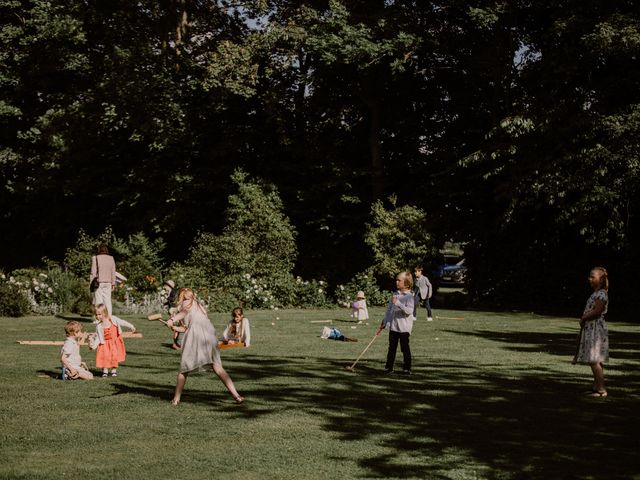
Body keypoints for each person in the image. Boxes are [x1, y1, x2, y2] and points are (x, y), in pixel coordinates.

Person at [167, 288, 244, 405]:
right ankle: (237, 396)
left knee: (184, 369)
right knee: (217, 366)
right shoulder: (199, 306)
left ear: (182, 296)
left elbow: (184, 313)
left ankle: (176, 400)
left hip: (196, 336)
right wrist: (174, 327)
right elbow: (186, 328)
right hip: (209, 336)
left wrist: (172, 319)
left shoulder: (186, 304)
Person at [574, 267, 610, 397]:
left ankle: (601, 389)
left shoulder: (601, 294)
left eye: (592, 277)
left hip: (595, 329)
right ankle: (597, 386)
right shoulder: (595, 294)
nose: (589, 279)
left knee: (594, 359)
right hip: (591, 328)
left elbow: (598, 311)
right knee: (595, 359)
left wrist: (584, 317)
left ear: (600, 280)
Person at [380, 272, 416, 375]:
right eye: (396, 280)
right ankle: (388, 367)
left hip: (404, 328)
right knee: (391, 348)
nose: (396, 282)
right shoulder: (395, 294)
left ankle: (407, 368)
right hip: (393, 327)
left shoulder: (409, 296)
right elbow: (389, 310)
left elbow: (409, 311)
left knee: (404, 348)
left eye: (399, 280)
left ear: (407, 282)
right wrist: (385, 321)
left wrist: (399, 303)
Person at [94, 303, 127, 377]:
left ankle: (113, 370)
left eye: (99, 314)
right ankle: (105, 371)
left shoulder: (113, 319)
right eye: (96, 315)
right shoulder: (99, 326)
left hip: (114, 342)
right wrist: (93, 345)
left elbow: (122, 322)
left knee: (114, 355)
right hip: (104, 343)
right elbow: (98, 337)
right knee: (105, 356)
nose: (97, 316)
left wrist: (131, 326)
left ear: (105, 313)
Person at [90, 244, 116, 316]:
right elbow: (113, 272)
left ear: (99, 250)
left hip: (98, 282)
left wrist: (91, 284)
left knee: (98, 301)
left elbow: (93, 272)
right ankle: (109, 317)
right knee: (107, 300)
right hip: (108, 282)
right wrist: (113, 284)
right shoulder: (111, 258)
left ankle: (98, 318)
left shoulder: (95, 258)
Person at [163, 280, 181, 349]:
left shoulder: (174, 292)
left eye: (166, 286)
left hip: (175, 311)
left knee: (176, 327)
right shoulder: (169, 292)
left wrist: (165, 297)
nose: (164, 287)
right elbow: (170, 301)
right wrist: (166, 303)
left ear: (169, 286)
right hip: (172, 311)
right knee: (174, 327)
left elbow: (174, 300)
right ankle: (176, 342)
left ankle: (177, 343)